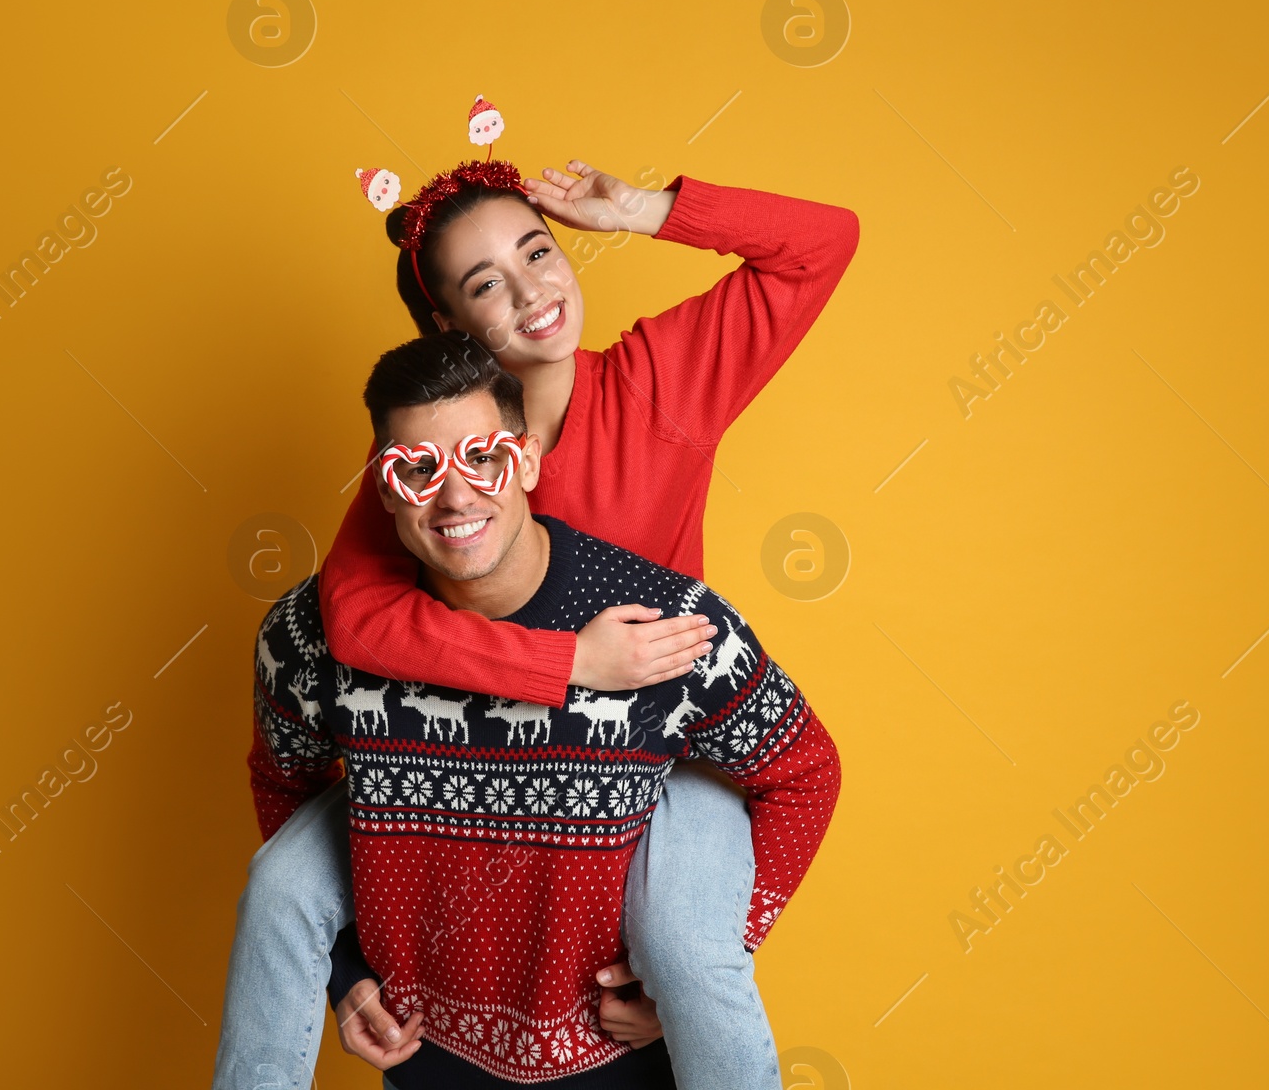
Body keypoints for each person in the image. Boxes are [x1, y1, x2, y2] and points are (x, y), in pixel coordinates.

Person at [213, 158, 859, 1090]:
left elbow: (824, 243)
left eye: (539, 253)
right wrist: (567, 664)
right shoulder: (430, 462)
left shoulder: (663, 384)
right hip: (474, 759)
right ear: (448, 325)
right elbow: (352, 625)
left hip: (655, 761)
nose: (532, 293)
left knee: (687, 951)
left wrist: (643, 210)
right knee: (280, 886)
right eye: (486, 284)